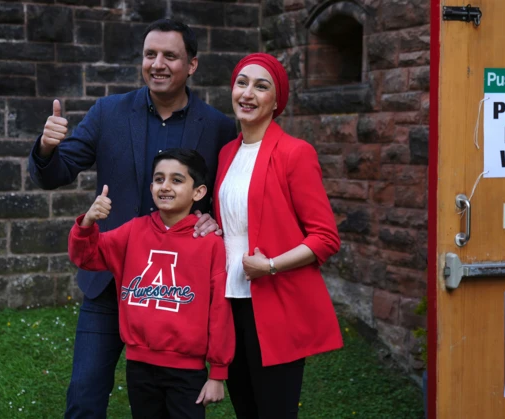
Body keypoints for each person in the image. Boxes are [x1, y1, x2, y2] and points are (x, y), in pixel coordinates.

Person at [27, 19, 237, 418]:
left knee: (170, 404)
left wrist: (216, 223)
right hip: (109, 282)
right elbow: (56, 172)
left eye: (170, 56)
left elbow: (228, 196)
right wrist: (46, 147)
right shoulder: (108, 112)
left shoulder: (217, 127)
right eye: (150, 54)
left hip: (175, 294)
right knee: (84, 397)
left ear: (192, 64)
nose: (157, 64)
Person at [213, 53, 343, 419]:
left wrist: (270, 265)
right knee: (246, 410)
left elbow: (325, 236)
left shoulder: (295, 153)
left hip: (272, 304)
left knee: (275, 412)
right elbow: (234, 221)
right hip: (229, 300)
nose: (248, 93)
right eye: (242, 83)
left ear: (276, 101)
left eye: (261, 85)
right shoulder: (226, 154)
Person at [68, 148, 234, 419]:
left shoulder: (210, 243)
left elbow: (220, 311)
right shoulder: (134, 231)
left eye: (177, 180)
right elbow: (85, 257)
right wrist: (87, 223)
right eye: (159, 179)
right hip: (139, 365)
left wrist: (217, 372)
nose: (165, 186)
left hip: (187, 370)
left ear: (199, 192)